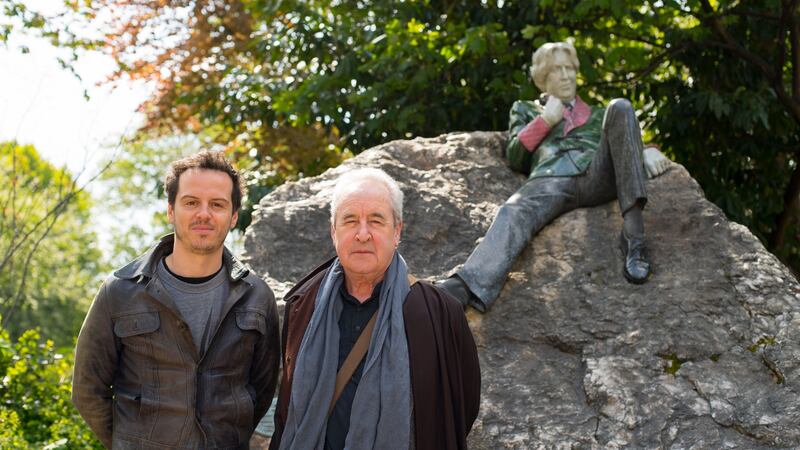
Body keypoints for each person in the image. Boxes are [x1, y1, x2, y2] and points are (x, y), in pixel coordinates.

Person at [438, 41, 671, 312]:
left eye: (570, 68)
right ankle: (467, 285)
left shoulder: (598, 114)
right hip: (551, 179)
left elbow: (621, 139)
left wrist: (645, 150)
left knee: (620, 106)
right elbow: (515, 156)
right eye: (557, 69)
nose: (566, 75)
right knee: (514, 211)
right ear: (542, 78)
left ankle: (634, 239)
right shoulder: (525, 109)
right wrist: (545, 120)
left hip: (597, 175)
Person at [72, 151, 280, 449]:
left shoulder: (257, 297)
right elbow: (87, 391)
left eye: (217, 204)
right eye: (191, 202)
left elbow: (261, 390)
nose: (204, 214)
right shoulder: (120, 292)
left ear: (233, 216)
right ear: (171, 210)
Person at [270, 168, 481, 450]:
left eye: (376, 221)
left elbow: (458, 411)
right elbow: (286, 409)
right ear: (334, 231)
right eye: (350, 221)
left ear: (397, 231)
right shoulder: (303, 305)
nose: (363, 234)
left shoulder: (438, 314)